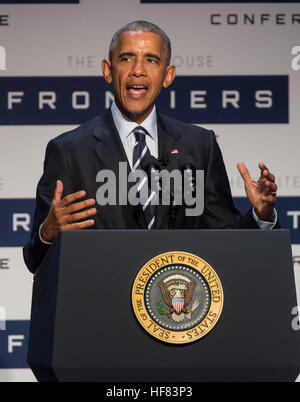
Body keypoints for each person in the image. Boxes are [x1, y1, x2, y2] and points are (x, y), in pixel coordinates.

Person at [23, 20, 278, 274]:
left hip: (178, 307)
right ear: (107, 70)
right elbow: (35, 260)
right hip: (100, 308)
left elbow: (226, 242)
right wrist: (48, 232)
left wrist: (261, 216)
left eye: (151, 60)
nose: (138, 70)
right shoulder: (69, 151)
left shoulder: (200, 145)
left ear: (168, 75)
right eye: (126, 59)